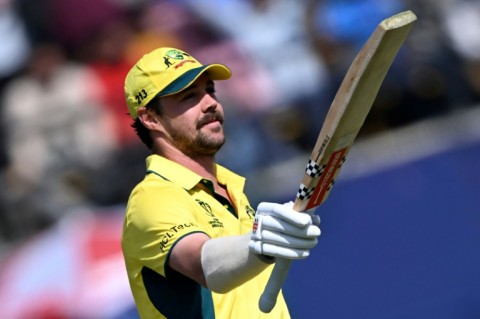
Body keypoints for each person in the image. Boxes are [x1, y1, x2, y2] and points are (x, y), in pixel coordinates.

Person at [121, 47, 321, 319]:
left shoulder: (229, 186)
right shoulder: (152, 199)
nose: (210, 103)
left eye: (210, 90)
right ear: (150, 118)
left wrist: (278, 232)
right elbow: (205, 264)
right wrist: (262, 243)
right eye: (189, 97)